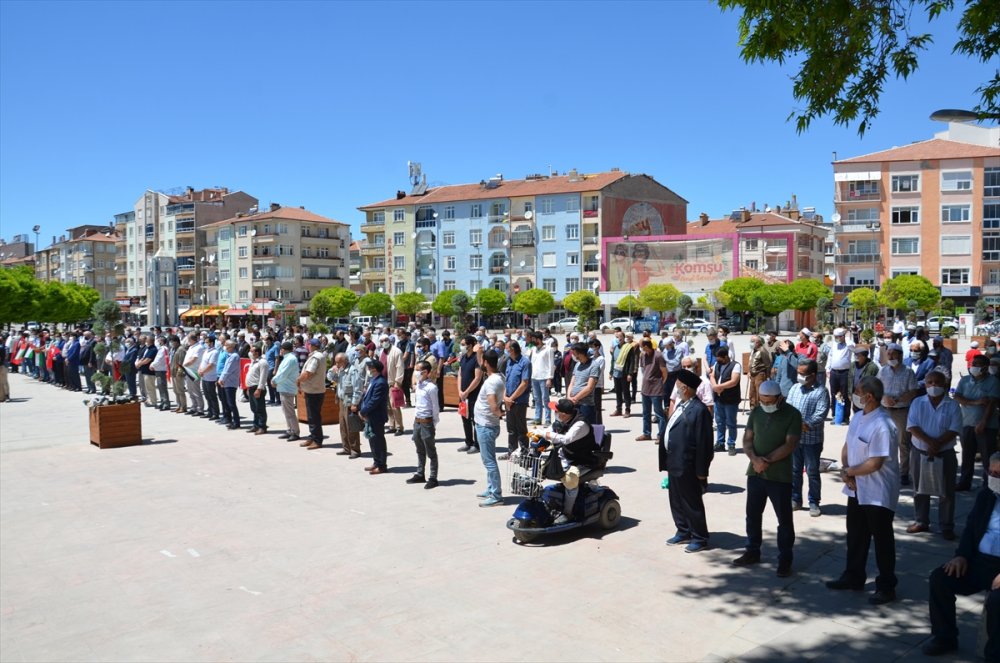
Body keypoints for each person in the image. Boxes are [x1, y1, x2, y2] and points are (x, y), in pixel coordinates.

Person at [827, 376, 901, 605]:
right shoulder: (858, 417)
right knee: (856, 536)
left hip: (877, 493)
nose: (854, 395)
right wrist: (846, 472)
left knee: (882, 540)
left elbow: (875, 463)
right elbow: (848, 446)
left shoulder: (883, 424)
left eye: (857, 391)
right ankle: (853, 576)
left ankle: (886, 586)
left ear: (869, 396)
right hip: (857, 488)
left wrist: (850, 473)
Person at [922, 452, 1000, 658]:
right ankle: (944, 637)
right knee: (940, 578)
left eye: (998, 474)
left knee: (997, 602)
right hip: (980, 562)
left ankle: (994, 654)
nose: (993, 477)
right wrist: (961, 556)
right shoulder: (987, 495)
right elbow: (971, 529)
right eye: (990, 472)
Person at [733, 380, 800, 578]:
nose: (766, 404)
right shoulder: (756, 412)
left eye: (769, 401)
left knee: (784, 520)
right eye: (763, 400)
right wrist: (754, 459)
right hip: (755, 472)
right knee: (752, 515)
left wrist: (767, 461)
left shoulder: (792, 414)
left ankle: (785, 560)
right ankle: (752, 551)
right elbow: (747, 439)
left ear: (779, 397)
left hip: (779, 476)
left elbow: (790, 444)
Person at [662, 370, 715, 553]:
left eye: (677, 385)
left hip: (688, 464)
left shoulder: (699, 411)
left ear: (685, 388)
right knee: (676, 499)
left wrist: (702, 471)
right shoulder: (681, 405)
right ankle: (683, 530)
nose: (675, 388)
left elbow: (705, 444)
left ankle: (700, 537)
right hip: (674, 461)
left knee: (691, 502)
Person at [906, 369, 963, 540]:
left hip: (945, 453)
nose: (933, 386)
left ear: (944, 385)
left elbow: (954, 429)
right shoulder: (917, 402)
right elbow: (912, 426)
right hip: (920, 451)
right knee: (919, 488)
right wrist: (930, 442)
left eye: (937, 382)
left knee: (947, 491)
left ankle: (946, 526)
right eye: (930, 382)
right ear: (925, 384)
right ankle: (921, 521)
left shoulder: (952, 405)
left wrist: (936, 444)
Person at [542, 399, 601, 524]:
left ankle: (567, 513)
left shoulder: (580, 424)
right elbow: (550, 430)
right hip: (566, 457)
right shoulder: (562, 420)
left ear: (563, 414)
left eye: (556, 411)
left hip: (582, 460)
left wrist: (546, 435)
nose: (555, 413)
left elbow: (566, 439)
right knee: (540, 467)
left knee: (570, 479)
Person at [787, 359, 830, 516]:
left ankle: (814, 502)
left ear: (812, 375)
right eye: (798, 373)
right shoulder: (794, 388)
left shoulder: (821, 392)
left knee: (812, 472)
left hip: (812, 440)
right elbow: (788, 408)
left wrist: (802, 425)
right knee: (794, 471)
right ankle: (795, 499)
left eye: (802, 374)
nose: (799, 376)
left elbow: (820, 415)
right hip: (794, 440)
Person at [954, 353, 1000, 492]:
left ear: (985, 368)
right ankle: (964, 482)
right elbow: (957, 396)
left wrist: (983, 422)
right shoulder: (965, 380)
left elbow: (991, 404)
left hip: (986, 425)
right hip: (967, 422)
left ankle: (988, 485)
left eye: (977, 364)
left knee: (987, 456)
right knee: (967, 455)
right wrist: (976, 402)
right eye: (973, 364)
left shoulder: (993, 382)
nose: (973, 367)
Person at [878, 342, 920, 486]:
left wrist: (897, 400)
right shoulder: (883, 371)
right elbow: (877, 389)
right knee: (885, 441)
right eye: (888, 353)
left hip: (901, 411)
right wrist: (884, 398)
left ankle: (903, 473)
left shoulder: (908, 372)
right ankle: (887, 470)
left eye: (893, 353)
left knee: (903, 443)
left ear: (900, 355)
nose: (890, 356)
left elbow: (914, 391)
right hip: (884, 411)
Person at [474, 350, 505, 508]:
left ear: (486, 362)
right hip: (485, 424)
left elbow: (493, 406)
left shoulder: (492, 382)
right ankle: (491, 488)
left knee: (489, 462)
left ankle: (496, 495)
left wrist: (500, 413)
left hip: (486, 425)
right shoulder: (496, 377)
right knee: (488, 460)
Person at [406, 360, 440, 489]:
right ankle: (420, 473)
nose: (415, 372)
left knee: (430, 450)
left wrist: (434, 423)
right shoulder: (419, 385)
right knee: (419, 448)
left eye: (418, 370)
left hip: (427, 421)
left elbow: (435, 407)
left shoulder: (431, 387)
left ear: (425, 372)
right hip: (418, 421)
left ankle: (433, 477)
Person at [709, 346, 742, 455]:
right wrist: (715, 386)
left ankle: (731, 444)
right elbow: (712, 375)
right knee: (719, 422)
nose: (717, 360)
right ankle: (720, 442)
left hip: (731, 399)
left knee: (731, 422)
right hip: (718, 398)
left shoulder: (735, 365)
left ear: (726, 357)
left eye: (719, 358)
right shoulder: (717, 364)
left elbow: (734, 381)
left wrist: (720, 387)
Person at [501, 340, 531, 458]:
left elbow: (524, 383)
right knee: (511, 428)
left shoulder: (525, 362)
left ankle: (524, 453)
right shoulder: (509, 362)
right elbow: (506, 381)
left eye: (507, 348)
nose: (506, 351)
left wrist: (511, 398)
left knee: (521, 429)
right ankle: (511, 452)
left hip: (519, 401)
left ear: (512, 349)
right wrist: (505, 397)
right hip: (508, 400)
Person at [359, 359, 389, 474]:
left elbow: (374, 401)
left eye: (370, 367)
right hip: (370, 415)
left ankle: (382, 466)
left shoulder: (380, 382)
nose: (368, 369)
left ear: (374, 369)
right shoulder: (374, 380)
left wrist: (363, 411)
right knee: (372, 440)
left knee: (378, 441)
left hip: (376, 416)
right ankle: (376, 462)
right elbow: (366, 396)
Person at [296, 338, 327, 449]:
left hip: (314, 391)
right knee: (312, 416)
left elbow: (308, 373)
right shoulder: (318, 355)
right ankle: (312, 437)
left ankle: (317, 440)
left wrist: (298, 380)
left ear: (312, 346)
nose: (307, 346)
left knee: (314, 417)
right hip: (313, 390)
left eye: (308, 345)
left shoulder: (315, 357)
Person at [637, 339, 667, 442]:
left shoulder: (658, 356)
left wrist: (661, 384)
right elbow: (643, 369)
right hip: (645, 388)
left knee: (658, 413)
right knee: (646, 413)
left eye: (643, 347)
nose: (642, 350)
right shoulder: (643, 355)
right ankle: (646, 433)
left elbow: (664, 372)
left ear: (646, 346)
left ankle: (661, 435)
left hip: (656, 389)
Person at [456, 335, 482, 454]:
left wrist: (467, 392)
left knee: (474, 419)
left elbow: (477, 378)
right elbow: (460, 375)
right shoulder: (463, 357)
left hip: (473, 395)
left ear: (470, 345)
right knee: (465, 418)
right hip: (463, 395)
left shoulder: (476, 359)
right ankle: (468, 441)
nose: (461, 347)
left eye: (463, 344)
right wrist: (460, 391)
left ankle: (477, 444)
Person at [271, 340, 301, 442]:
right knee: (286, 411)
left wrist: (274, 380)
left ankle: (295, 432)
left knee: (290, 412)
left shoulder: (290, 359)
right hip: (284, 387)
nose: (280, 351)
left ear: (283, 349)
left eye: (281, 349)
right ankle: (290, 430)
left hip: (288, 388)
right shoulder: (287, 358)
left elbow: (283, 373)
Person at [826, 327, 855, 425]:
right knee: (834, 394)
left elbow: (853, 347)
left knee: (845, 395)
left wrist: (846, 338)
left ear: (843, 336)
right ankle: (835, 415)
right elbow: (830, 356)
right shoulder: (834, 345)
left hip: (845, 372)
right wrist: (828, 369)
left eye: (838, 336)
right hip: (834, 372)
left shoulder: (849, 343)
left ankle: (846, 417)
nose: (836, 338)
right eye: (835, 337)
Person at [568, 342, 599, 425]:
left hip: (586, 405)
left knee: (586, 428)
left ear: (582, 353)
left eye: (576, 354)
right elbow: (572, 383)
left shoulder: (594, 366)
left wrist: (576, 398)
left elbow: (589, 387)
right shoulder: (577, 364)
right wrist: (569, 397)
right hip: (573, 403)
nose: (575, 357)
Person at [528, 331, 553, 426]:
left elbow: (551, 365)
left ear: (538, 339)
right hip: (534, 377)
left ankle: (547, 420)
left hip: (544, 377)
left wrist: (549, 378)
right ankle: (537, 418)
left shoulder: (548, 349)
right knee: (537, 399)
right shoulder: (533, 349)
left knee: (545, 399)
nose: (532, 341)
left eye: (533, 339)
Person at [610, 331, 638, 418]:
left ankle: (627, 409)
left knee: (626, 392)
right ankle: (619, 409)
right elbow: (613, 361)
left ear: (623, 337)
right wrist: (611, 372)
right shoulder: (615, 347)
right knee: (618, 392)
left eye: (620, 337)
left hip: (625, 373)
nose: (618, 339)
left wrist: (630, 373)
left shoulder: (628, 347)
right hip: (616, 373)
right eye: (617, 337)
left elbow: (632, 362)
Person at [847, 346, 879, 418]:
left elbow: (875, 383)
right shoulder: (853, 365)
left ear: (864, 356)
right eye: (855, 355)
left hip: (866, 396)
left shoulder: (872, 367)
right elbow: (849, 379)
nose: (856, 357)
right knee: (857, 414)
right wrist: (849, 393)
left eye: (857, 355)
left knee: (866, 414)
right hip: (856, 394)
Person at [245, 344, 270, 435]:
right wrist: (248, 388)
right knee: (254, 408)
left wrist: (259, 389)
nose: (250, 353)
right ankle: (255, 425)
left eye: (252, 351)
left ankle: (262, 426)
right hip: (251, 387)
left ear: (257, 352)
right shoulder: (253, 361)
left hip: (257, 388)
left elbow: (263, 377)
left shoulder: (262, 362)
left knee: (260, 409)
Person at [218, 339, 242, 430]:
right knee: (228, 403)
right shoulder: (230, 355)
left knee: (231, 403)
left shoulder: (234, 356)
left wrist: (221, 379)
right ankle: (232, 421)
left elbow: (228, 369)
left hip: (231, 383)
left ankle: (236, 422)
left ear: (231, 347)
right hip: (226, 382)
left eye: (227, 345)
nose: (225, 347)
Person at [198, 335, 220, 420]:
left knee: (212, 395)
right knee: (207, 395)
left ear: (211, 343)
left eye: (206, 342)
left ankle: (215, 413)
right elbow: (202, 362)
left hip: (211, 377)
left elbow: (211, 365)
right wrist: (200, 369)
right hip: (204, 377)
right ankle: (210, 411)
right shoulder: (206, 351)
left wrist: (203, 371)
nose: (205, 344)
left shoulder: (215, 352)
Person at [747, 335, 771, 411]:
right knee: (752, 392)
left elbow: (768, 364)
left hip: (760, 374)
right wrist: (748, 371)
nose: (751, 343)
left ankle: (760, 408)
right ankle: (753, 407)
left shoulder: (762, 351)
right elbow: (751, 362)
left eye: (752, 341)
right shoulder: (753, 350)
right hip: (753, 374)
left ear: (758, 342)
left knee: (759, 392)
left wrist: (767, 376)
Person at [183, 332, 204, 416]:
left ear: (192, 339)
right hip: (188, 370)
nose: (187, 341)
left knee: (196, 390)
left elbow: (193, 359)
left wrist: (184, 365)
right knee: (190, 390)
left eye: (188, 339)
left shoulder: (199, 347)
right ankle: (194, 407)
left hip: (194, 371)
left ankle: (200, 409)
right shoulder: (191, 347)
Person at [588, 338, 606, 425]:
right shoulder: (590, 358)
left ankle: (599, 425)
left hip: (596, 386)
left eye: (592, 347)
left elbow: (598, 372)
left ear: (597, 347)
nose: (591, 349)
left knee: (597, 408)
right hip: (588, 386)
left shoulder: (601, 359)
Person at [136, 335, 158, 407]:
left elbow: (147, 360)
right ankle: (150, 400)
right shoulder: (148, 349)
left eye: (147, 340)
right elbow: (144, 358)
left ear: (150, 341)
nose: (145, 341)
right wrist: (139, 362)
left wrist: (139, 364)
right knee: (148, 387)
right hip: (145, 371)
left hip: (150, 372)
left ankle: (153, 401)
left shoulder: (153, 349)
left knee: (150, 387)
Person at [169, 335, 187, 414]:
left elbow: (181, 362)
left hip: (178, 373)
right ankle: (178, 405)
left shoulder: (181, 349)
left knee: (180, 391)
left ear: (176, 341)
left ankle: (183, 407)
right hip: (173, 372)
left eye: (172, 342)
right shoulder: (174, 349)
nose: (171, 343)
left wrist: (179, 372)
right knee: (175, 391)